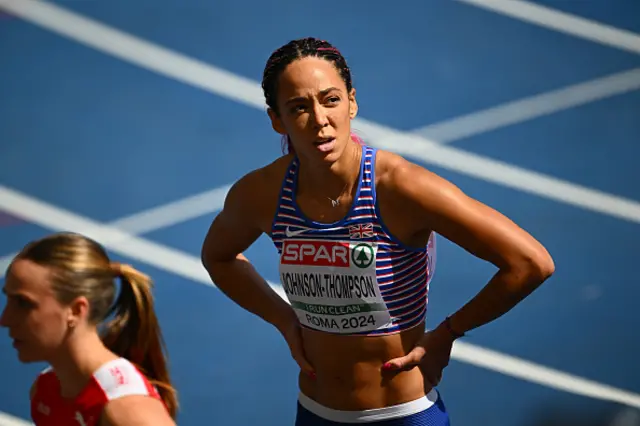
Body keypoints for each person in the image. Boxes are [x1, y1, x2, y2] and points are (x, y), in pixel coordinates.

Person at [201, 37, 555, 425]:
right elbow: (219, 257)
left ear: (352, 101)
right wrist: (284, 320)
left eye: (331, 100)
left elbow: (529, 262)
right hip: (316, 413)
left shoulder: (399, 188)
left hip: (405, 415)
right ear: (276, 119)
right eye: (299, 107)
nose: (320, 120)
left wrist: (448, 333)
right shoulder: (263, 194)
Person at [0, 232, 178, 426]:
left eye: (23, 303)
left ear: (76, 310)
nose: (5, 319)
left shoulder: (127, 411)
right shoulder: (46, 389)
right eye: (8, 300)